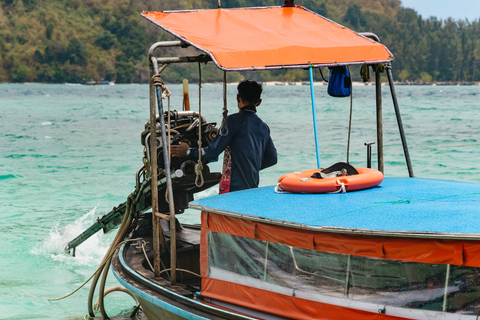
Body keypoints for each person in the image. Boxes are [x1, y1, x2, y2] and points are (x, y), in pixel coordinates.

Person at [171, 80, 277, 193]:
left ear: (237, 98)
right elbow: (272, 159)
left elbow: (213, 152)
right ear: (259, 102)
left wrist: (188, 151)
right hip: (252, 188)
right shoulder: (263, 127)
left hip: (232, 188)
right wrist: (250, 167)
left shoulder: (232, 121)